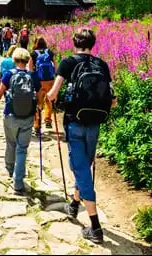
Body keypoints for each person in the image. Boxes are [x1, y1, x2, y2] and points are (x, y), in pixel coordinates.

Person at [47, 28, 116, 244]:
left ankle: (95, 227)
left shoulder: (68, 63)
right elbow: (112, 99)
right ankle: (75, 204)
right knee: (84, 164)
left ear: (75, 42)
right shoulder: (102, 65)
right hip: (95, 123)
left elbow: (53, 93)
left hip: (74, 122)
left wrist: (49, 100)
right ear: (92, 44)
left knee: (81, 170)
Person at [0, 48, 41, 195]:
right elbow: (39, 94)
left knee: (11, 143)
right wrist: (39, 107)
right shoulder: (33, 76)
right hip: (28, 117)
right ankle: (18, 183)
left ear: (14, 60)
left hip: (10, 116)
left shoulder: (8, 75)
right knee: (22, 149)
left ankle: (10, 170)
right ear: (27, 60)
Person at [28, 36, 56, 133]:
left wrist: (32, 80)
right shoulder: (50, 52)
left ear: (36, 43)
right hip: (50, 81)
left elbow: (30, 69)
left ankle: (37, 125)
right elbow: (55, 66)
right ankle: (48, 119)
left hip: (38, 81)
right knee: (48, 100)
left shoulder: (33, 54)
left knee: (37, 103)